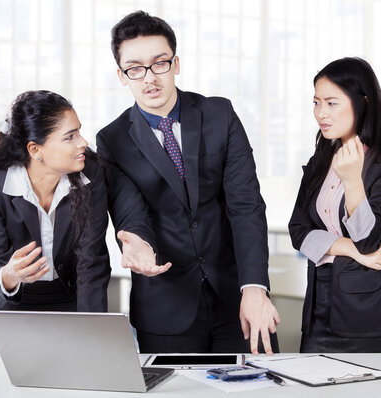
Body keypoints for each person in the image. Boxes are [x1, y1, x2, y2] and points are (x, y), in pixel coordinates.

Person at [96, 11, 280, 354]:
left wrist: (255, 287)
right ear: (122, 76)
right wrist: (136, 243)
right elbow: (129, 211)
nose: (149, 78)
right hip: (165, 306)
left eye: (159, 63)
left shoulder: (219, 115)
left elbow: (246, 205)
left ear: (176, 63)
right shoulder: (112, 140)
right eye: (135, 68)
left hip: (238, 295)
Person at [289, 57, 381, 353]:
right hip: (318, 308)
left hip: (373, 315)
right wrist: (350, 250)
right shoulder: (320, 161)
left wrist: (352, 182)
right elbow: (297, 231)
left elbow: (370, 241)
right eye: (316, 102)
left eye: (332, 103)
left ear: (362, 103)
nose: (321, 113)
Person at [0, 90, 110, 327]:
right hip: (12, 302)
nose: (83, 142)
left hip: (69, 293)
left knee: (83, 359)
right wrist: (9, 275)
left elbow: (91, 261)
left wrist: (94, 327)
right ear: (35, 150)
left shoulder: (90, 174)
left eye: (79, 131)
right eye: (70, 137)